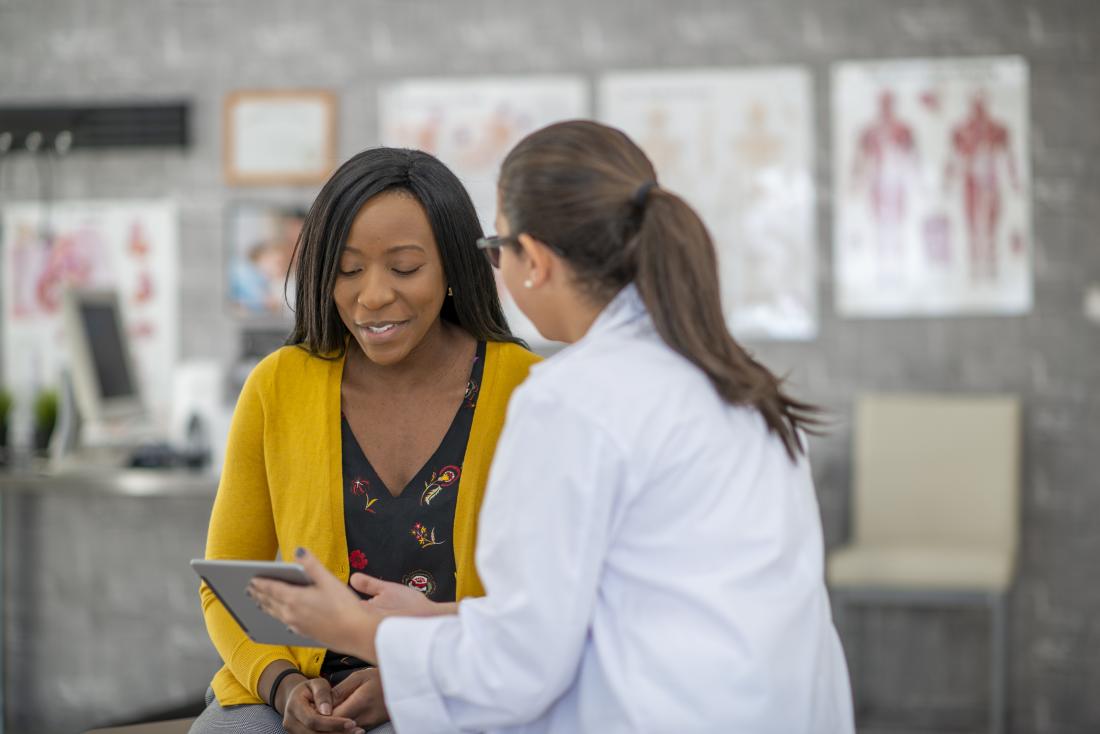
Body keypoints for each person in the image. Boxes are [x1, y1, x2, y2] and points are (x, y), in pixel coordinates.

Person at [250, 121, 855, 733]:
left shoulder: (566, 401)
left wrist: (356, 629)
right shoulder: (740, 383)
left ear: (532, 261)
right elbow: (631, 600)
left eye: (497, 251)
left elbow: (513, 673)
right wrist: (440, 618)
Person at [192, 148, 539, 734]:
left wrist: (412, 676)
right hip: (295, 685)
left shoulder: (526, 390)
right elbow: (226, 584)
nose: (372, 295)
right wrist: (283, 687)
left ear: (454, 267)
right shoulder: (277, 385)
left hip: (458, 678)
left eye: (404, 268)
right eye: (348, 270)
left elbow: (542, 603)